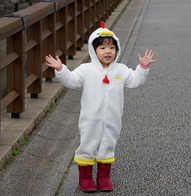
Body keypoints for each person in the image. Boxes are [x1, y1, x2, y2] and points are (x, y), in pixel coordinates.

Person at [45, 21, 157, 192]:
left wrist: (143, 67)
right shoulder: (86, 70)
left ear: (117, 50)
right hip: (90, 120)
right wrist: (61, 69)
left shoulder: (120, 70)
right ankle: (85, 178)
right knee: (87, 145)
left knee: (108, 145)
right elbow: (72, 81)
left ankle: (104, 177)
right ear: (93, 50)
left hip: (112, 119)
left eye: (112, 48)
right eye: (103, 48)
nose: (108, 52)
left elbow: (134, 81)